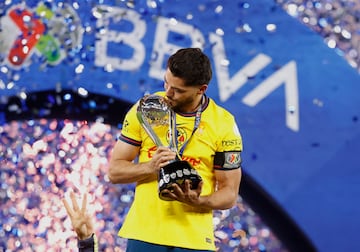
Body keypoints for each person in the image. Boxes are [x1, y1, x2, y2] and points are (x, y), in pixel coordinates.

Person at [108, 47, 243, 252]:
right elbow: (114, 172)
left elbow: (229, 193)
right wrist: (150, 167)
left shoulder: (223, 123)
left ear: (201, 89)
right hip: (144, 235)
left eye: (178, 90)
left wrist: (199, 201)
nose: (168, 93)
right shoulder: (146, 109)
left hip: (194, 241)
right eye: (166, 83)